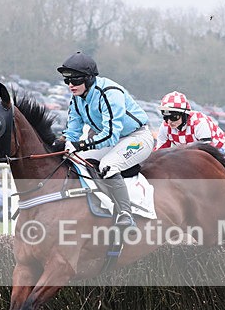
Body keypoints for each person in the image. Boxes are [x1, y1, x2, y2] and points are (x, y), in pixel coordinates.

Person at [57, 51, 154, 228]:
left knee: (108, 165)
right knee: (75, 161)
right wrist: (59, 143)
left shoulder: (109, 93)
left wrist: (82, 144)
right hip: (112, 140)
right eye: (67, 81)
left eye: (76, 80)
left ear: (89, 79)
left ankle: (126, 214)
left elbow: (110, 135)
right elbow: (72, 133)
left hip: (137, 137)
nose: (71, 85)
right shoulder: (77, 99)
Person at [154, 91, 225, 155]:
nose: (169, 122)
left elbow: (206, 152)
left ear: (184, 114)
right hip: (191, 152)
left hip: (218, 149)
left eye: (174, 117)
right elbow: (160, 150)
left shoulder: (199, 122)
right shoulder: (165, 126)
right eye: (166, 117)